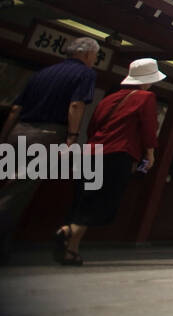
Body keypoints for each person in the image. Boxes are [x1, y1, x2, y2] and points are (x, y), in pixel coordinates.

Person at [52, 58, 161, 266]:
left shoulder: (108, 99)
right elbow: (149, 128)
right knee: (104, 203)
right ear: (147, 80)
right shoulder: (146, 97)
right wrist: (150, 153)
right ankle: (66, 231)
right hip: (117, 153)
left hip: (91, 152)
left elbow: (92, 126)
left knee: (83, 202)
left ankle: (71, 250)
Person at [0, 37, 99, 258]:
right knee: (17, 192)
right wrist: (72, 136)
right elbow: (76, 104)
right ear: (86, 54)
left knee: (7, 183)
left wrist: (5, 136)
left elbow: (16, 108)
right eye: (94, 55)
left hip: (18, 131)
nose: (94, 60)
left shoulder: (42, 73)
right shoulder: (85, 74)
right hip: (47, 134)